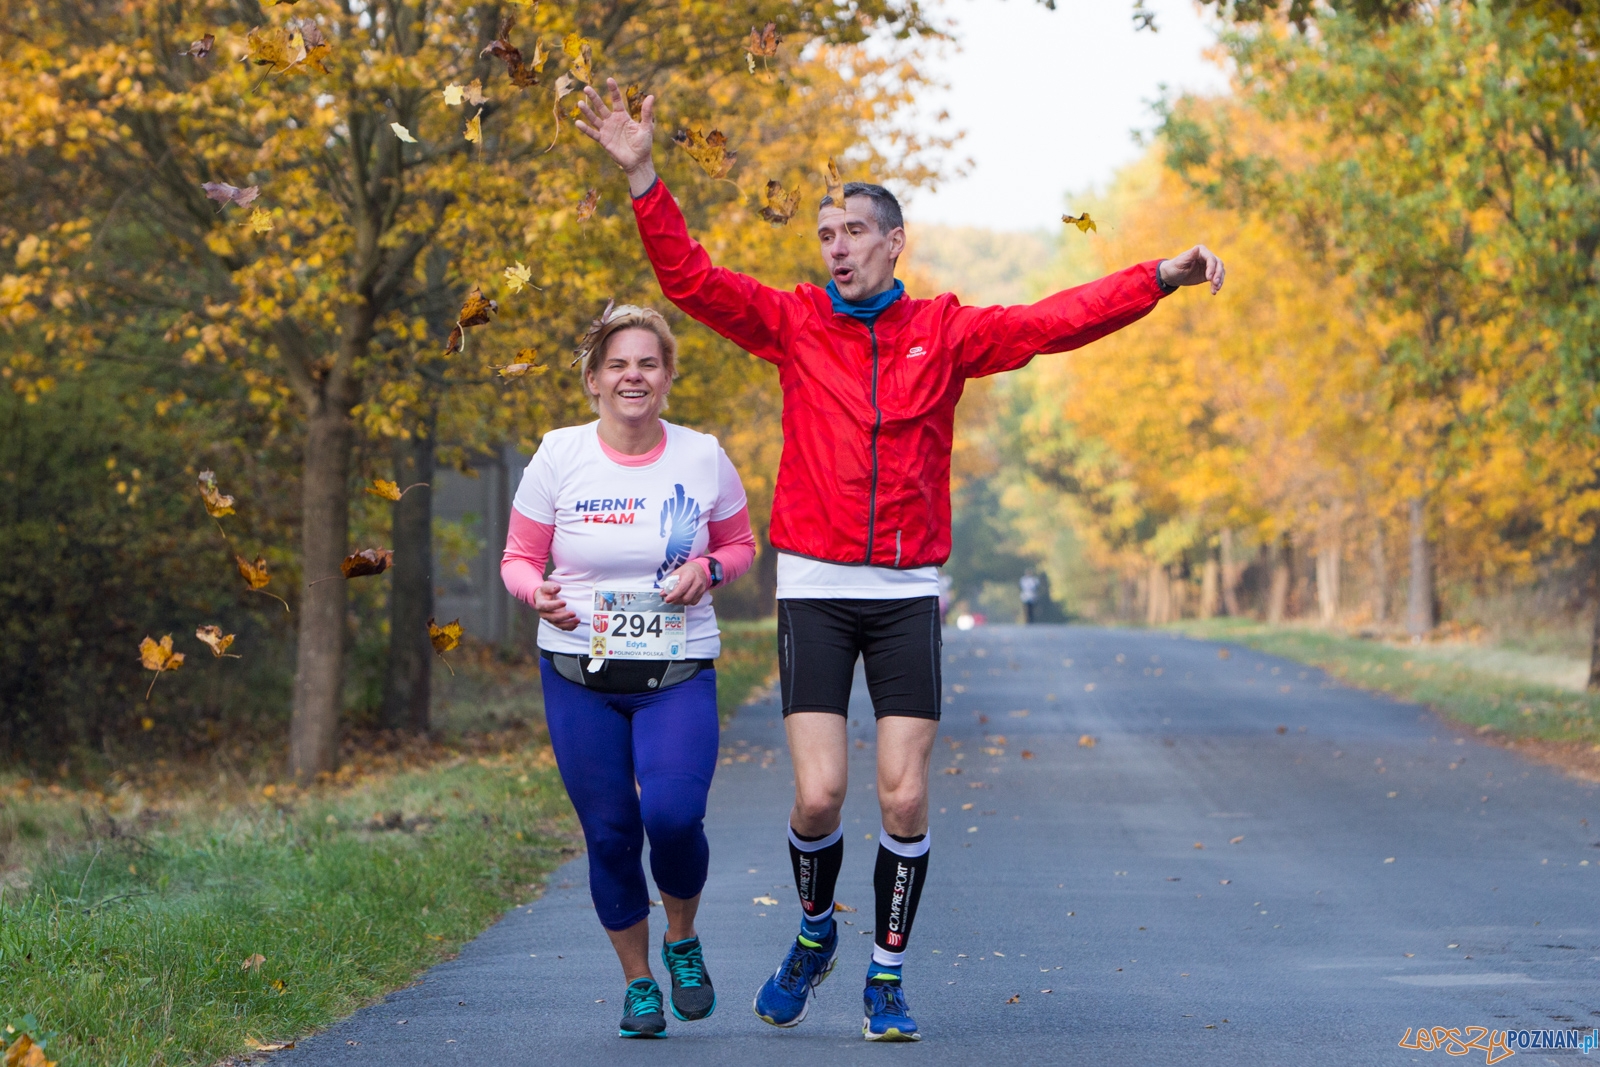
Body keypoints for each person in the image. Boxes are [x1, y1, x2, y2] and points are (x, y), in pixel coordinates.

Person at [577, 80, 1226, 1043]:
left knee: (906, 792)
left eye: (850, 231)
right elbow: (694, 284)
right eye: (825, 233)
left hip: (908, 590)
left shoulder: (949, 332)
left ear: (892, 243)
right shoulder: (797, 322)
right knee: (817, 793)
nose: (833, 246)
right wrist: (643, 175)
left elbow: (1057, 320)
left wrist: (1158, 276)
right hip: (816, 587)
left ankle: (885, 971)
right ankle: (812, 934)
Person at [500, 304, 757, 1039]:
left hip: (676, 668)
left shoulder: (703, 454)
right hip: (577, 670)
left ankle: (683, 939)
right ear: (593, 380)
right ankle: (639, 983)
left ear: (668, 378)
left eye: (648, 362)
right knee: (611, 834)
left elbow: (739, 544)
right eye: (617, 364)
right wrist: (534, 591)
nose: (632, 375)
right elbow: (517, 557)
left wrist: (708, 567)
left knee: (672, 815)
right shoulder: (559, 453)